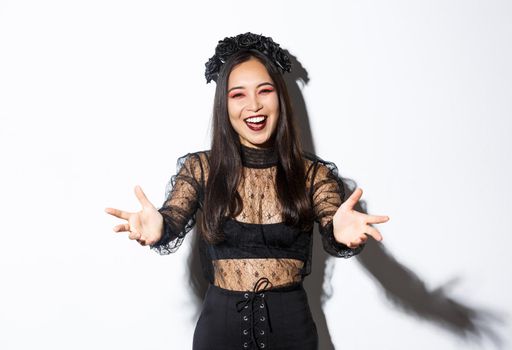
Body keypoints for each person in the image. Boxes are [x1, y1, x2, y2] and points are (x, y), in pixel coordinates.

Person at [105, 32, 389, 350]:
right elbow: (172, 218)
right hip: (218, 333)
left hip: (292, 333)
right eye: (238, 95)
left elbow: (332, 221)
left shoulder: (312, 176)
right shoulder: (201, 170)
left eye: (264, 91)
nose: (253, 105)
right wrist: (160, 227)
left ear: (279, 97)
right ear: (223, 105)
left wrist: (339, 230)